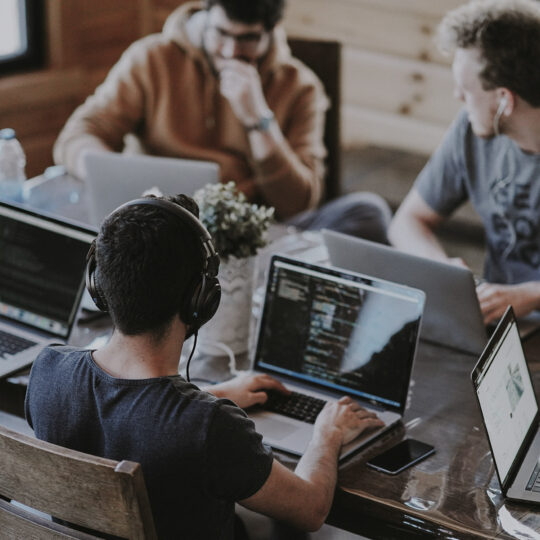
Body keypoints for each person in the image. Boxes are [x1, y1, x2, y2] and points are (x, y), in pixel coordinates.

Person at [24, 193, 384, 539]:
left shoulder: (48, 371)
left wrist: (214, 393)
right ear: (201, 300)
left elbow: (125, 414)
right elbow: (310, 509)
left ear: (99, 283)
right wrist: (328, 433)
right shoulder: (210, 428)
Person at [52, 0, 391, 243]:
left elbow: (299, 204)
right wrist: (108, 175)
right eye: (222, 33)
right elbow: (78, 136)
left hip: (250, 239)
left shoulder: (300, 87)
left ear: (271, 32)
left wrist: (259, 120)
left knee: (368, 212)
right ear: (205, 11)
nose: (230, 51)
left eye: (247, 39)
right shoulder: (151, 58)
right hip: (158, 225)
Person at [388, 0, 540, 325]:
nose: (457, 95)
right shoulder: (470, 129)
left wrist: (530, 295)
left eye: (466, 89)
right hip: (497, 324)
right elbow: (408, 222)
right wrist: (441, 269)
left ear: (504, 100)